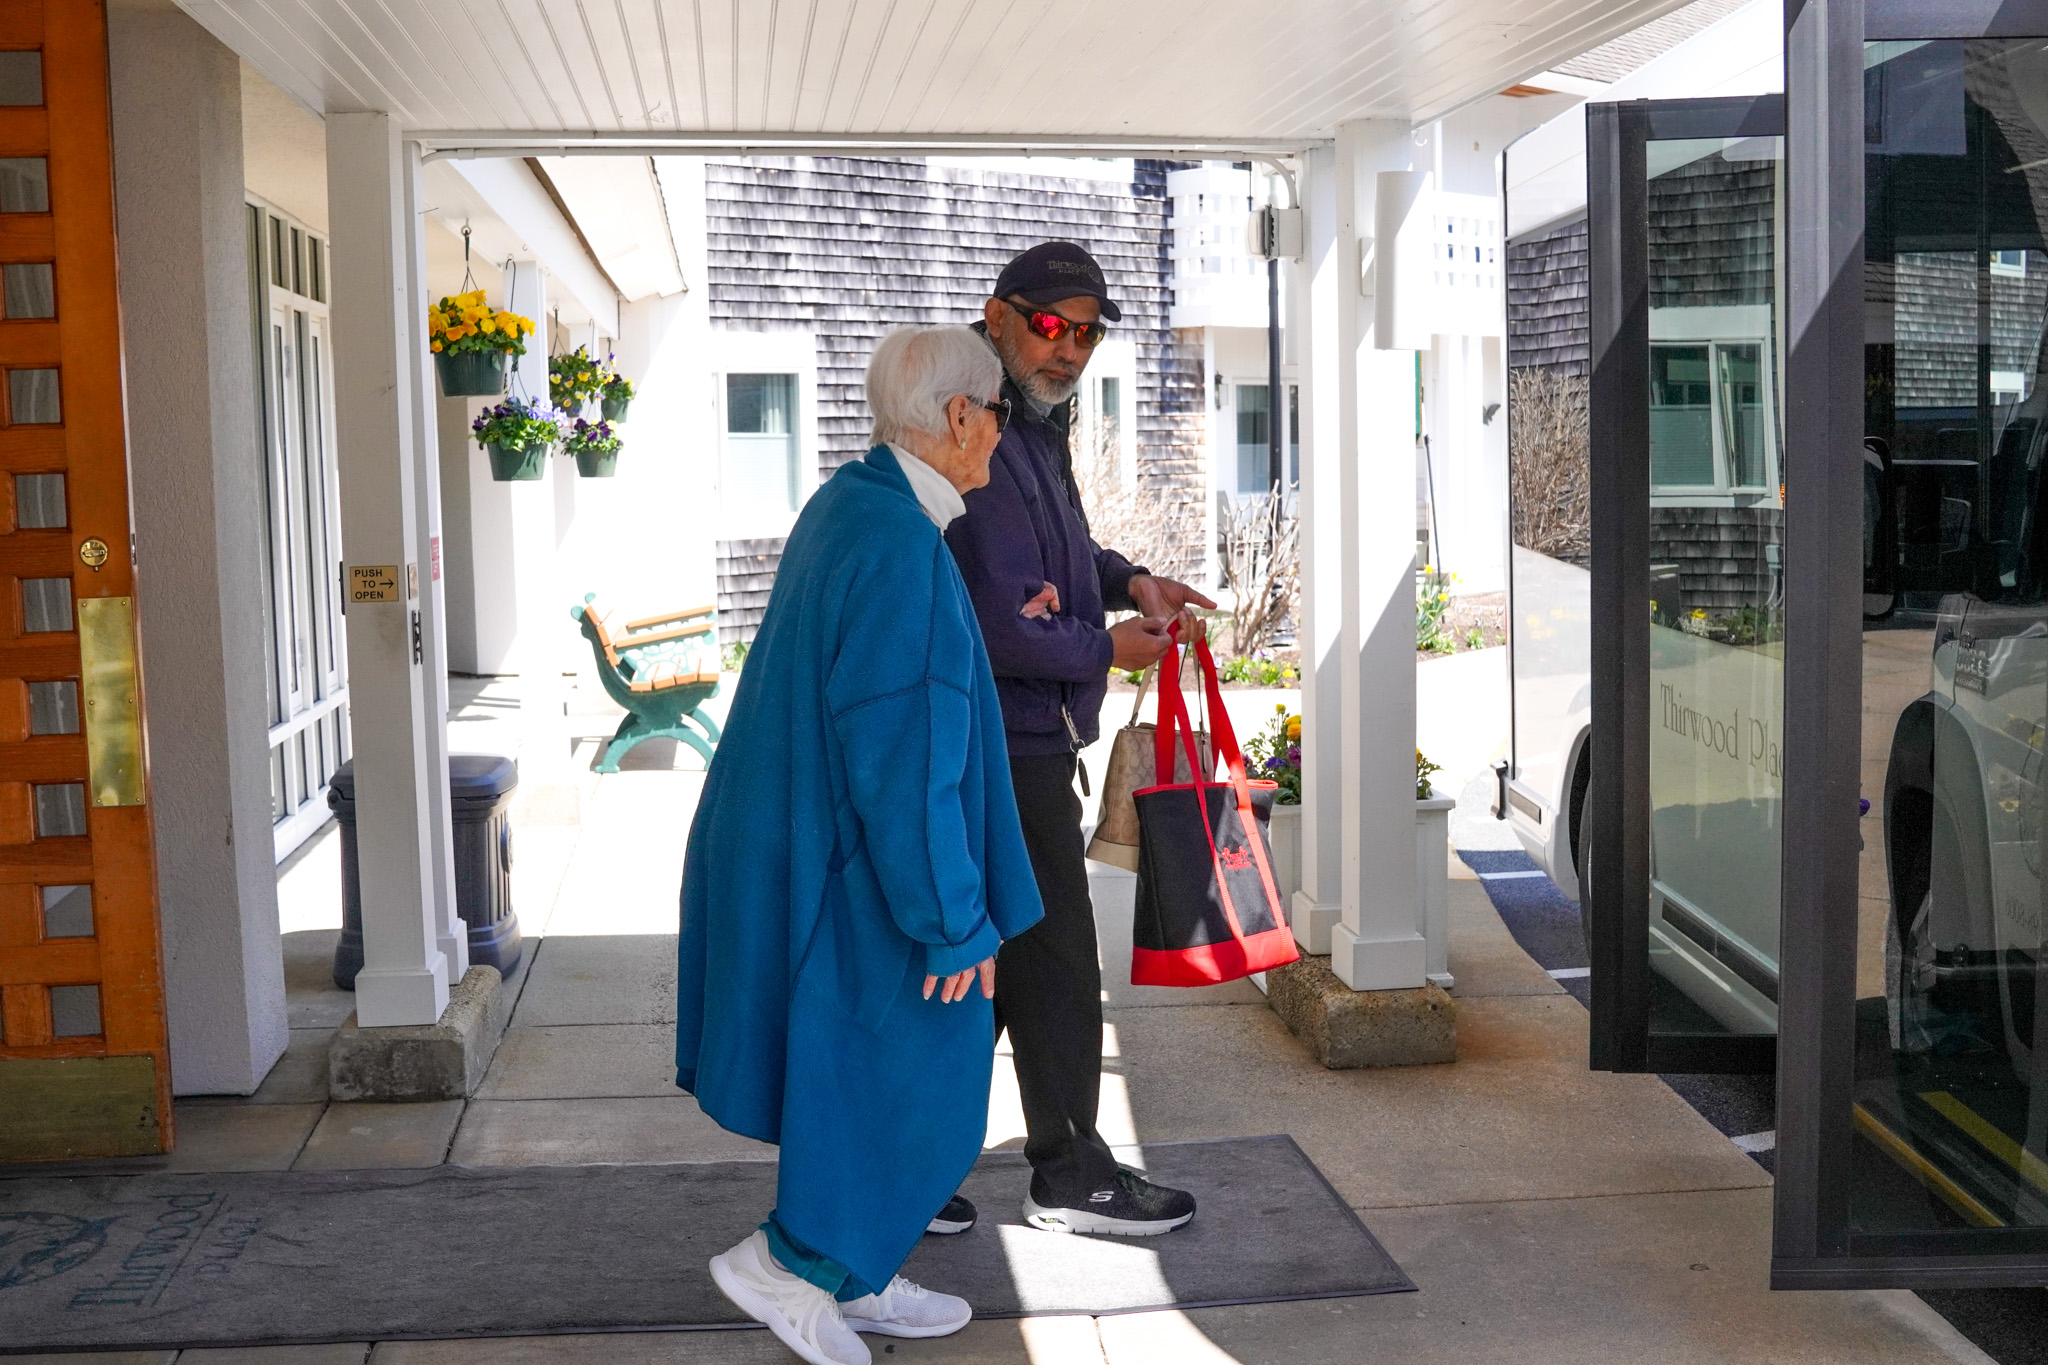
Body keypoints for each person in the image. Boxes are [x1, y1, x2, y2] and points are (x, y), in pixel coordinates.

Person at [676, 325, 1044, 1365]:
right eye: (996, 417)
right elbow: (902, 751)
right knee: (918, 1080)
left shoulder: (852, 504)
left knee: (853, 1080)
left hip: (811, 851)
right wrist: (951, 922)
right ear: (961, 419)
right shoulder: (898, 548)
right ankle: (789, 1267)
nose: (1000, 440)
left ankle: (857, 1275)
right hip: (860, 874)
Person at [941, 242, 1217, 1237]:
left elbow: (1056, 559)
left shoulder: (1030, 419)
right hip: (1002, 743)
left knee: (987, 964)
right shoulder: (974, 417)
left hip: (1017, 736)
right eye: (1051, 325)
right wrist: (1106, 644)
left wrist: (1125, 579)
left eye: (1088, 331)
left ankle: (915, 1166)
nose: (1069, 348)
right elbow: (1006, 617)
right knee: (1050, 958)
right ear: (1000, 314)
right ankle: (1068, 1175)